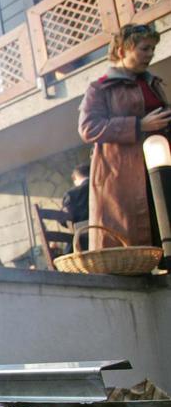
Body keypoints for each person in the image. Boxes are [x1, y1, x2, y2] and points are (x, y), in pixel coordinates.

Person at [79, 23, 171, 250]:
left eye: (152, 49)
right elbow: (88, 127)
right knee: (139, 236)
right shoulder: (100, 88)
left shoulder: (152, 83)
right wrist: (139, 125)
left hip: (161, 167)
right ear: (122, 51)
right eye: (144, 48)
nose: (150, 54)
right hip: (125, 175)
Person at [61, 163, 90, 253]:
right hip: (113, 238)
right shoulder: (105, 187)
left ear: (74, 178)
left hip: (84, 245)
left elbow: (63, 220)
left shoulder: (72, 194)